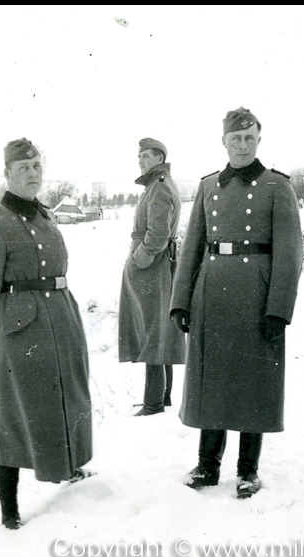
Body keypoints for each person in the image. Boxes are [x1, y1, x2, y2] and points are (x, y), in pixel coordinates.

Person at [169, 108, 303, 499]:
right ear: (224, 142)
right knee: (212, 382)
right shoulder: (210, 186)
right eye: (234, 139)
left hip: (256, 296)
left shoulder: (278, 186)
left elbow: (290, 254)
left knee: (253, 382)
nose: (241, 145)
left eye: (248, 138)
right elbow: (192, 246)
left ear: (258, 140)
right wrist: (181, 301)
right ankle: (207, 466)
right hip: (212, 296)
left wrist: (279, 308)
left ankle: (248, 470)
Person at [0, 138, 93, 530]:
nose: (32, 174)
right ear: (7, 174)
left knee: (65, 399)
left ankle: (69, 472)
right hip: (18, 332)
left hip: (61, 322)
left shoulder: (45, 216)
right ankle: (10, 512)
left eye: (37, 166)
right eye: (23, 168)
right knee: (11, 419)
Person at [118, 138, 187, 416]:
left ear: (159, 158)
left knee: (152, 332)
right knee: (159, 329)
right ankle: (163, 398)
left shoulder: (158, 188)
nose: (141, 160)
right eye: (139, 156)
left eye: (146, 156)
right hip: (157, 266)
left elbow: (157, 235)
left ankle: (154, 403)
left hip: (152, 267)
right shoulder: (159, 184)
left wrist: (139, 259)